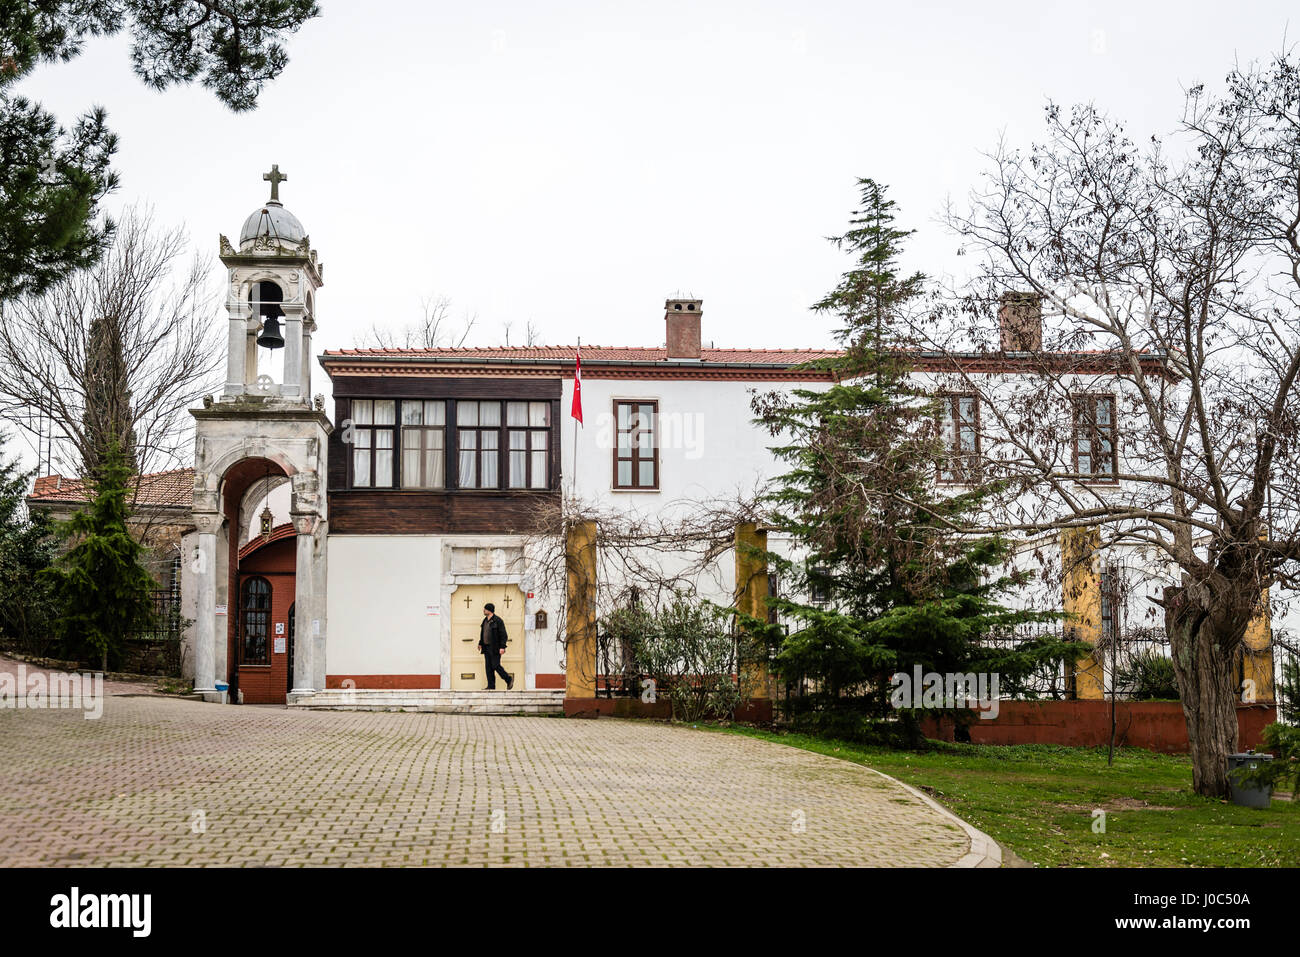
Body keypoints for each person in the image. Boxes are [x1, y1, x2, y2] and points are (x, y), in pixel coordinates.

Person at [478, 603, 514, 690]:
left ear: (489, 610)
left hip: (495, 648)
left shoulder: (498, 621)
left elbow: (503, 635)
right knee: (488, 668)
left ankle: (508, 679)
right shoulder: (485, 620)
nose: (483, 610)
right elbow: (483, 633)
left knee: (496, 665)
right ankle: (491, 686)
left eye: (485, 609)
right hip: (486, 648)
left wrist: (502, 647)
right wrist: (480, 643)